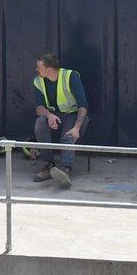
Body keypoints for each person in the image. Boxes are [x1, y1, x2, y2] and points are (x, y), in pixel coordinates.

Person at [32, 53, 89, 189]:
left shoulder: (71, 77)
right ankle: (48, 164)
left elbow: (83, 106)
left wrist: (77, 127)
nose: (36, 70)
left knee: (68, 135)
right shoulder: (38, 81)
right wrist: (49, 115)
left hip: (73, 115)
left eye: (39, 67)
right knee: (40, 124)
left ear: (49, 70)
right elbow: (39, 108)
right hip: (54, 115)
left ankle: (65, 170)